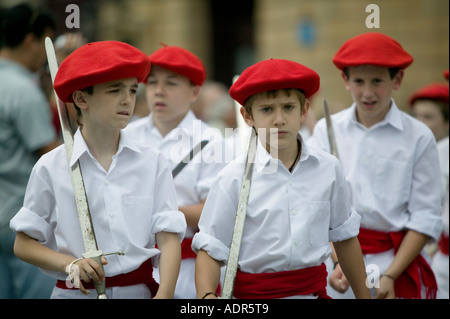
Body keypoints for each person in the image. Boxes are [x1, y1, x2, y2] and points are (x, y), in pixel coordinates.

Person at [10, 40, 186, 299]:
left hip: (140, 293)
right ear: (81, 98)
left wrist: (165, 295)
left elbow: (169, 238)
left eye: (132, 90)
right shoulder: (51, 166)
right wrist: (68, 264)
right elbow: (23, 244)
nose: (127, 100)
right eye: (115, 90)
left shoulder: (153, 161)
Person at [193, 58, 371, 299]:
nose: (279, 119)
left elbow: (345, 238)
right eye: (267, 110)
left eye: (288, 107)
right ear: (247, 116)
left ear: (304, 110)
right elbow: (210, 249)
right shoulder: (232, 178)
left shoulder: (328, 168)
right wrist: (207, 297)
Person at [308, 32, 442, 299]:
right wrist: (338, 261)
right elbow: (315, 203)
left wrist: (391, 274)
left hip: (395, 261)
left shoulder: (418, 136)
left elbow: (426, 215)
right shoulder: (326, 130)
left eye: (378, 81)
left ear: (397, 80)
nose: (367, 93)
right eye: (358, 81)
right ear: (345, 80)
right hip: (338, 266)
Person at [125, 45, 227, 298]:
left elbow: (215, 210)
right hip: (132, 264)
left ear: (194, 92)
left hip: (189, 268)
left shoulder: (212, 141)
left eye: (171, 83)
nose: (159, 91)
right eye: (153, 82)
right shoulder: (126, 136)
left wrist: (154, 211)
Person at [0, 3, 60, 299]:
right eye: (46, 42)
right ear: (30, 41)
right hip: (19, 216)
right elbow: (51, 154)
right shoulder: (22, 90)